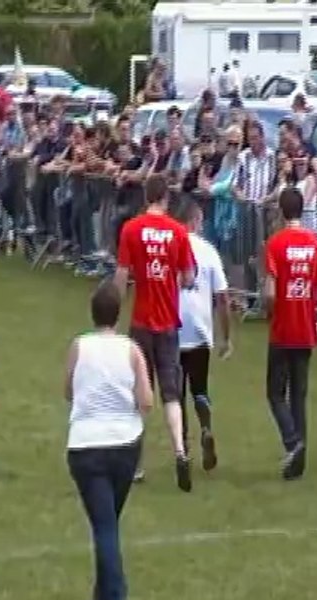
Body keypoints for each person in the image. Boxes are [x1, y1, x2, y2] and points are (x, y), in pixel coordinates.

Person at [64, 281, 152, 600]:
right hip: (124, 444)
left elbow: (68, 390)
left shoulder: (78, 347)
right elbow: (146, 400)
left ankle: (115, 597)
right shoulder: (131, 351)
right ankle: (108, 592)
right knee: (108, 520)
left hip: (86, 444)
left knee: (104, 523)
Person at [115, 173, 196, 491]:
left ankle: (136, 463)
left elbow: (122, 276)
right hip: (168, 323)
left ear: (146, 197)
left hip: (141, 322)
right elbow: (189, 277)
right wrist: (175, 280)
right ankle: (179, 450)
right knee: (171, 393)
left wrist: (115, 311)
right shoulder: (178, 232)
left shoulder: (131, 229)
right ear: (166, 198)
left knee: (139, 395)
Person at [263, 187, 317, 480]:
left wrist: (270, 311)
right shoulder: (314, 244)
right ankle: (298, 460)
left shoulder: (276, 244)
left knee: (275, 392)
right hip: (305, 326)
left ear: (281, 210)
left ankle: (292, 442)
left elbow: (270, 292)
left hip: (283, 327)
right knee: (299, 394)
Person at [174, 200, 232, 471]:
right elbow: (222, 296)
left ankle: (183, 446)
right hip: (199, 329)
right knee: (200, 387)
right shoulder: (208, 251)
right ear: (197, 222)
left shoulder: (170, 246)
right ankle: (206, 427)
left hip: (173, 327)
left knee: (176, 391)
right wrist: (226, 336)